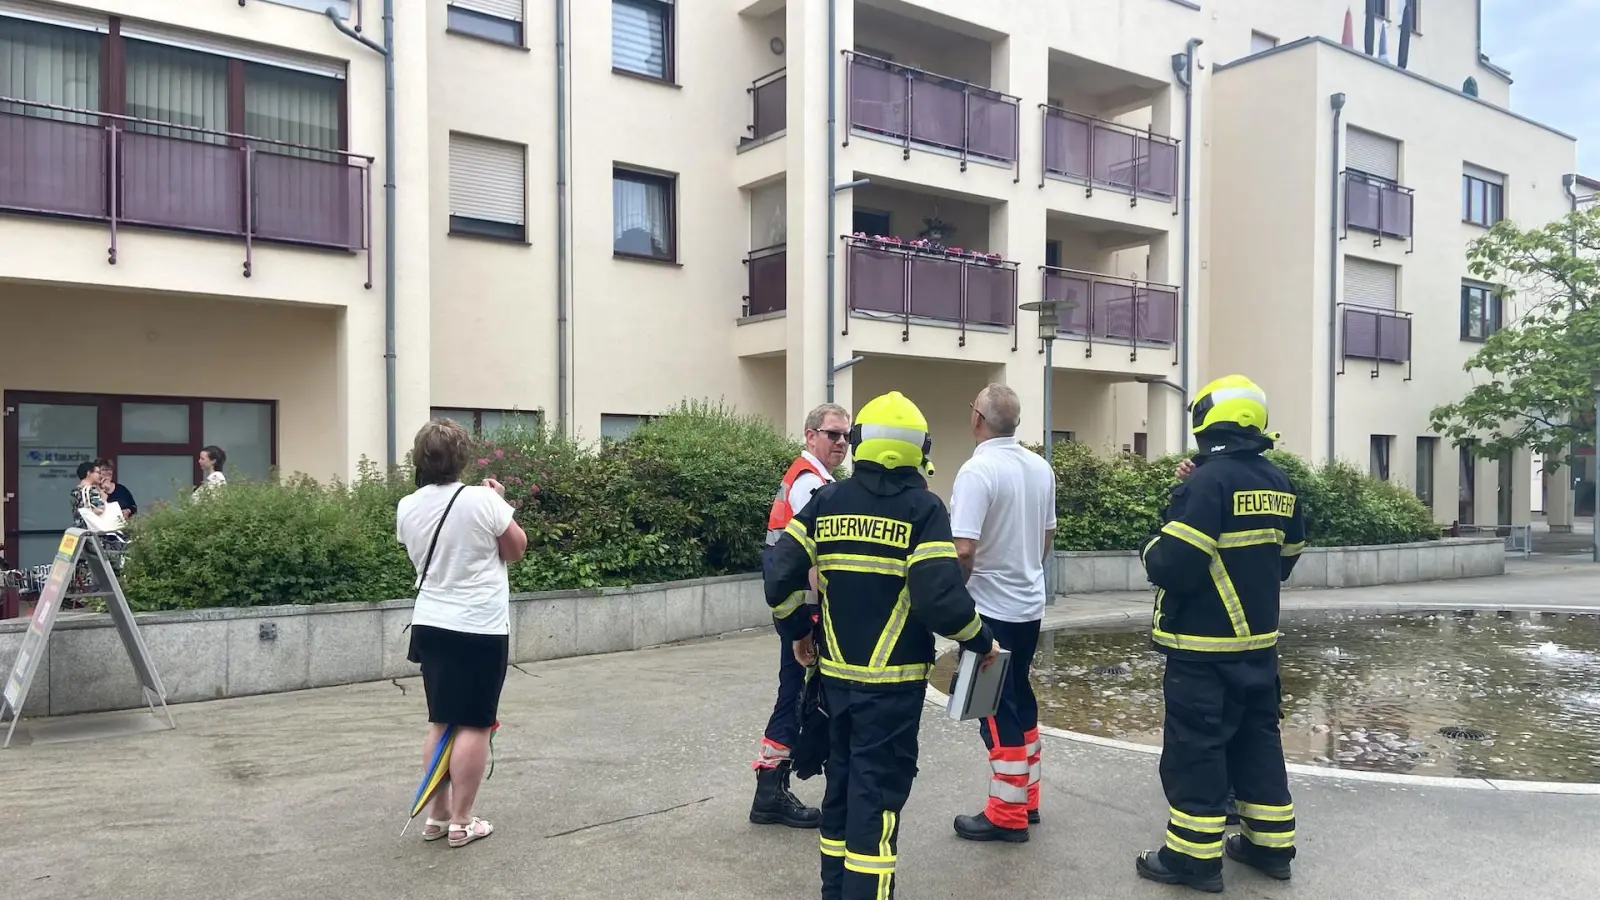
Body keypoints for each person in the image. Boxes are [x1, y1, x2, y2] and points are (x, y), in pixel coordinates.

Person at [765, 390, 1001, 900]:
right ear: (920, 449)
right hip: (892, 691)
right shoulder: (924, 510)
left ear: (859, 443)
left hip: (834, 684)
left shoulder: (827, 502)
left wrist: (799, 634)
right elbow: (940, 599)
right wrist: (980, 640)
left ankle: (836, 891)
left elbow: (778, 576)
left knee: (842, 792)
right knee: (878, 798)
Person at [1133, 374, 1306, 893]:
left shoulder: (1206, 483)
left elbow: (1174, 564)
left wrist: (1150, 547)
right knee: (1258, 744)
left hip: (1203, 650)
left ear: (1207, 420)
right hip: (1259, 647)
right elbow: (1287, 560)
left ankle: (1193, 860)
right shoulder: (1279, 482)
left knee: (1196, 750)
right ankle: (1269, 846)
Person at [396, 419, 528, 849]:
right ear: (463, 458)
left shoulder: (407, 506)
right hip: (479, 625)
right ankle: (463, 820)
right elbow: (515, 550)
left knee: (441, 718)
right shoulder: (481, 499)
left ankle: (437, 814)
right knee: (475, 722)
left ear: (420, 459)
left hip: (431, 623)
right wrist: (499, 503)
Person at [948, 383, 1056, 843]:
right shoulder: (1040, 467)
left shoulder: (978, 471)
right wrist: (1027, 572)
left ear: (977, 419)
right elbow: (1048, 537)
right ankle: (1028, 798)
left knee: (992, 708)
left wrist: (955, 597)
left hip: (990, 608)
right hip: (1028, 605)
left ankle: (1006, 814)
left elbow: (964, 549)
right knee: (1019, 697)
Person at [750, 402, 851, 828]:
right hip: (803, 614)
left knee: (796, 697)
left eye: (846, 436)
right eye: (833, 434)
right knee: (794, 700)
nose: (841, 443)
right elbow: (816, 559)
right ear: (810, 436)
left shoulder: (809, 479)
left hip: (799, 611)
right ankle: (770, 793)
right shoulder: (810, 486)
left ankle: (773, 790)